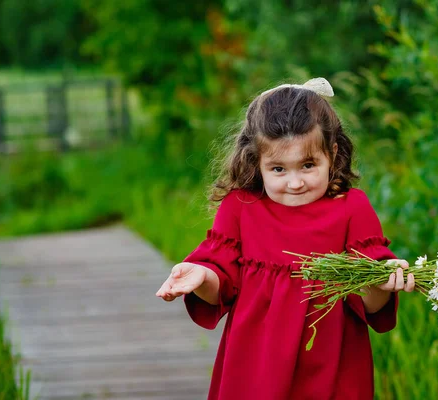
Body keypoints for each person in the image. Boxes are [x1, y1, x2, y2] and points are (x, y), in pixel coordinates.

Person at [156, 78, 415, 400]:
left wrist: (380, 282)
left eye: (308, 165)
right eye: (278, 169)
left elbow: (369, 304)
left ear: (332, 154)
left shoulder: (352, 209)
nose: (295, 183)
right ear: (256, 162)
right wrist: (202, 276)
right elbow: (220, 285)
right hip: (255, 367)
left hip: (332, 367)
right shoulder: (240, 208)